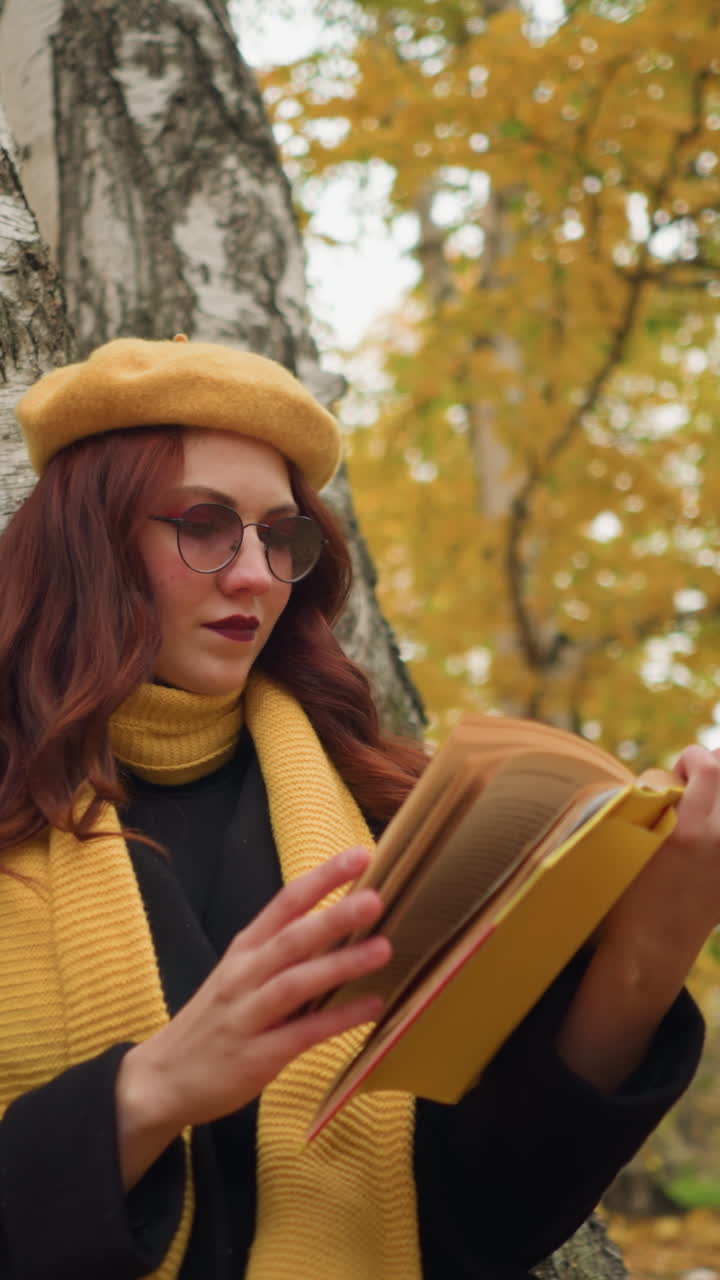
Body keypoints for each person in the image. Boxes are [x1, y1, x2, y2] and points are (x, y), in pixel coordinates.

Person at [0, 333, 715, 1280]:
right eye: (205, 525)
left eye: (278, 534)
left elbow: (479, 1218)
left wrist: (654, 943)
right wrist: (149, 1091)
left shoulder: (391, 815)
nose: (255, 574)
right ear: (87, 538)